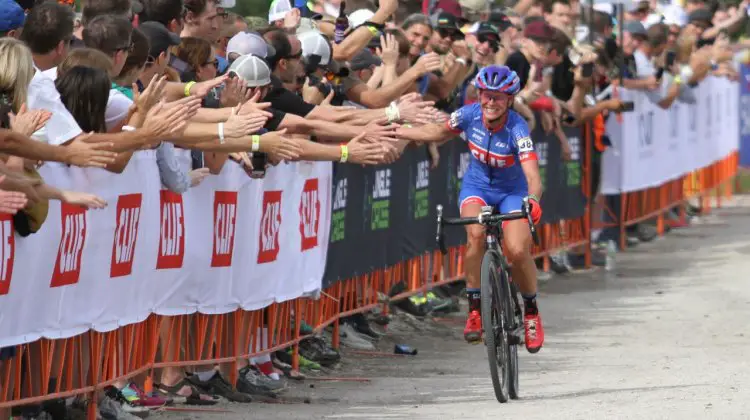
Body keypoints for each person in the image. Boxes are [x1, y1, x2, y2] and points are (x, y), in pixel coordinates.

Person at [395, 65, 545, 353]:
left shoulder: (517, 127)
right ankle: (475, 311)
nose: (490, 102)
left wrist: (534, 200)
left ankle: (531, 312)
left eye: (498, 97)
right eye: (486, 95)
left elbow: (532, 175)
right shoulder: (467, 115)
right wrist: (398, 130)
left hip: (512, 192)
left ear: (510, 100)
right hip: (477, 186)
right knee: (475, 235)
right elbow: (438, 132)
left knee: (516, 250)